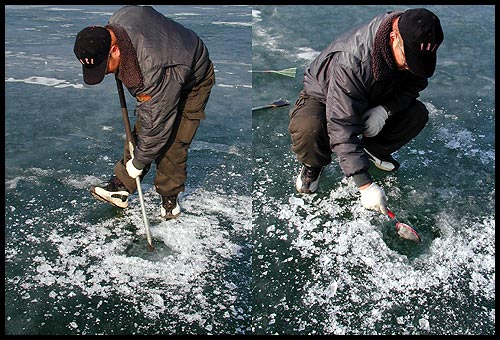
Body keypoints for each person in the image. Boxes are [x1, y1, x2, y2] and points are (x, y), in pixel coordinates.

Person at [288, 8, 443, 215]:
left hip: (374, 93)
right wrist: (365, 185)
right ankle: (313, 165)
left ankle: (374, 150)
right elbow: (341, 124)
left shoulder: (416, 42)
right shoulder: (352, 61)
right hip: (326, 96)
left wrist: (385, 110)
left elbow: (414, 86)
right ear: (393, 37)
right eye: (409, 58)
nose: (410, 66)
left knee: (416, 114)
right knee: (310, 127)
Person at [74, 5, 215, 219]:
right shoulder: (117, 21)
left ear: (115, 49)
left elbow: (156, 128)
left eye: (105, 66)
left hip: (193, 78)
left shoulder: (151, 70)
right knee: (142, 130)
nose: (106, 72)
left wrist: (138, 163)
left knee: (173, 140)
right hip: (168, 59)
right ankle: (121, 186)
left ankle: (169, 198)